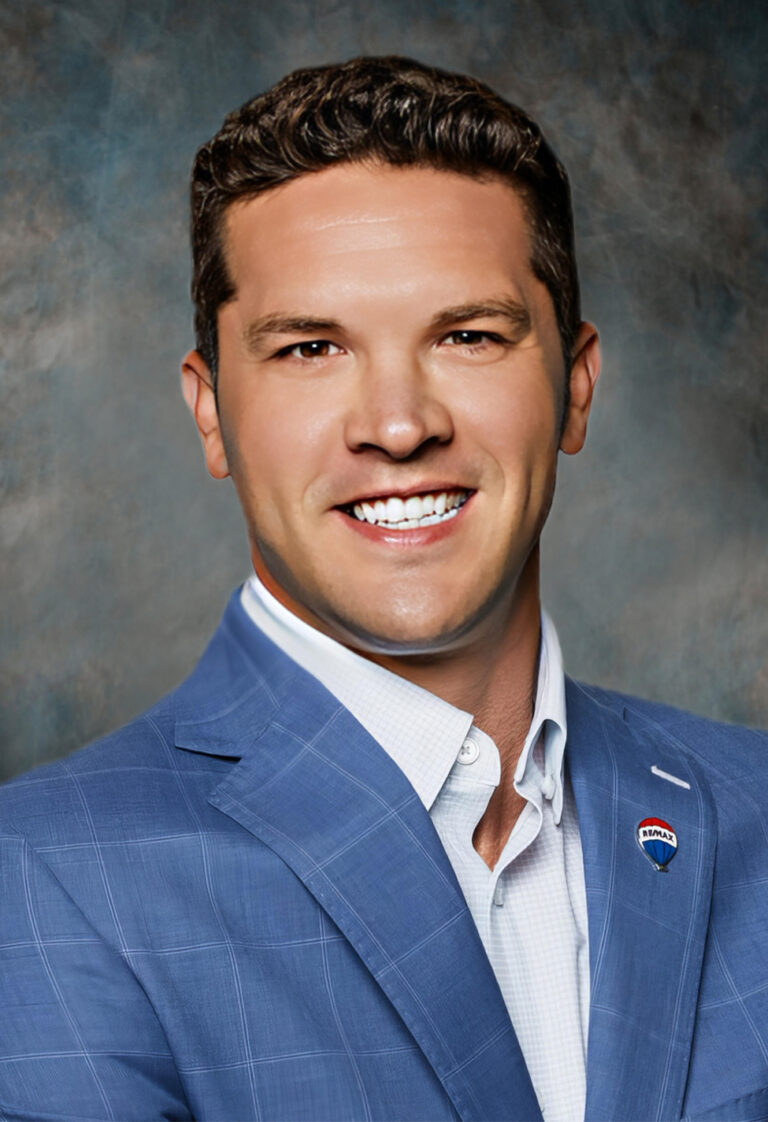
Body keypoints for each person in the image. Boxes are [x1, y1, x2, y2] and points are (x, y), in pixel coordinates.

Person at [0, 55, 766, 1122]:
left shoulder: (753, 806)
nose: (400, 426)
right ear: (212, 414)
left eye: (468, 336)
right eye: (311, 348)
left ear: (576, 387)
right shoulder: (42, 879)